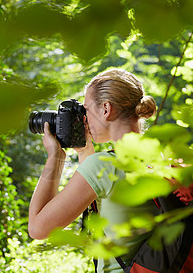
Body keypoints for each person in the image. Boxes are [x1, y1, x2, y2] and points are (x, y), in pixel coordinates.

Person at [28, 68, 159, 272]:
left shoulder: (104, 165)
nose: (84, 119)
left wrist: (55, 156)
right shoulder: (157, 157)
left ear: (105, 109)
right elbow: (103, 192)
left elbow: (38, 229)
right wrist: (85, 151)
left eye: (86, 110)